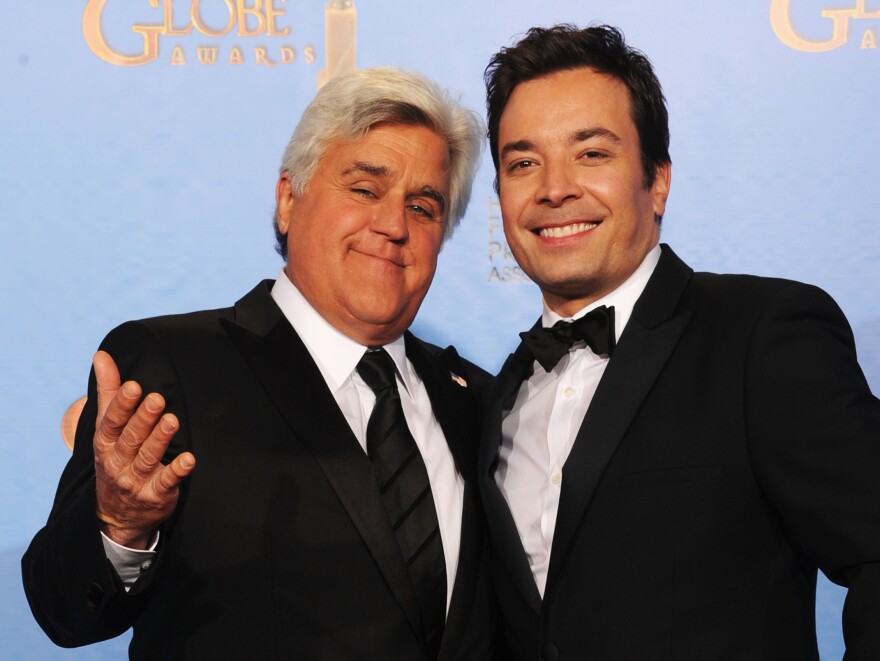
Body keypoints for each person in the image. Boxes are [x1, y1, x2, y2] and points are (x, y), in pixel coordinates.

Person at [23, 67, 495, 660]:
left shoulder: (475, 399)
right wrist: (118, 524)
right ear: (288, 199)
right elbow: (62, 608)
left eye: (423, 206)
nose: (394, 225)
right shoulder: (173, 366)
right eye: (365, 189)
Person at [479, 24, 880, 660]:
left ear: (657, 180)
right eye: (522, 162)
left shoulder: (762, 335)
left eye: (592, 153)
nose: (554, 188)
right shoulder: (497, 394)